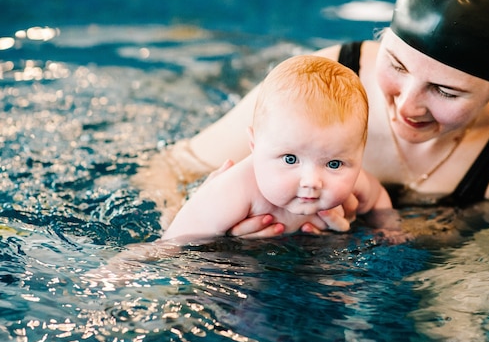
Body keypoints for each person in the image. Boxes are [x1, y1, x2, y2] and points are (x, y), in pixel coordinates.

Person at [134, 0, 489, 239]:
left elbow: (470, 269)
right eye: (396, 65)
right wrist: (204, 232)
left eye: (444, 90)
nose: (407, 104)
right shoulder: (324, 81)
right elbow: (165, 167)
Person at [161, 55, 393, 243]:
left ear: (359, 156)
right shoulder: (235, 190)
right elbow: (172, 242)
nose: (311, 181)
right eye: (290, 159)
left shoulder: (355, 182)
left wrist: (389, 231)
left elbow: (378, 198)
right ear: (254, 146)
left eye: (333, 164)